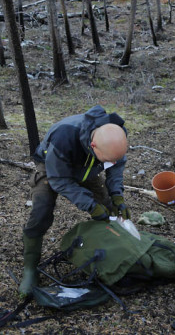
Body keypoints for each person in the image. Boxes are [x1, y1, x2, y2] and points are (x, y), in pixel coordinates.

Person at [19, 105, 131, 296]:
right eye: (107, 159)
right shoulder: (64, 137)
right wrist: (89, 205)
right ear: (93, 146)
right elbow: (59, 180)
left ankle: (114, 255)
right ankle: (30, 268)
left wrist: (117, 194)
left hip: (89, 166)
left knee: (108, 208)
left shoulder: (115, 135)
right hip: (52, 168)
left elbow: (116, 166)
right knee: (41, 211)